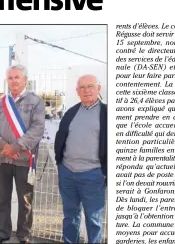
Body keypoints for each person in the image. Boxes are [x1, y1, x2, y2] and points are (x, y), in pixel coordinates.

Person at [0, 64, 45, 244]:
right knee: (2, 197)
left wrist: (17, 146)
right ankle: (2, 232)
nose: (13, 81)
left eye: (17, 77)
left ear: (25, 79)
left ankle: (24, 235)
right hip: (2, 157)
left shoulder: (36, 102)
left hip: (24, 159)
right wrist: (3, 145)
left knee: (25, 200)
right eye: (10, 78)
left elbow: (37, 129)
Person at [54, 74, 107, 244]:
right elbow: (60, 138)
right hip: (68, 173)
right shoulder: (71, 112)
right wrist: (60, 164)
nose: (86, 91)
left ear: (98, 88)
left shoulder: (107, 114)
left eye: (90, 86)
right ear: (77, 91)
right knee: (70, 216)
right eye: (82, 87)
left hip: (93, 175)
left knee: (93, 220)